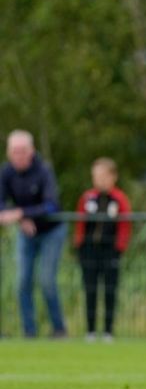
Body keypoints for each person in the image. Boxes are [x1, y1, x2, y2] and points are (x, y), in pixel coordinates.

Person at [0, 130, 67, 338]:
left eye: (22, 151)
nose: (18, 155)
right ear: (9, 153)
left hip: (51, 231)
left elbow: (51, 206)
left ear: (31, 151)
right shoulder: (6, 172)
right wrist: (22, 219)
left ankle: (59, 329)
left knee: (47, 280)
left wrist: (21, 212)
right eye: (14, 151)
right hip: (26, 232)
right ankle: (30, 331)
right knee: (23, 281)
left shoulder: (43, 170)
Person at [73, 158, 132, 341]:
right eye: (96, 176)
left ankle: (108, 331)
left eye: (103, 176)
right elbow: (80, 223)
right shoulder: (87, 197)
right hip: (89, 252)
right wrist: (79, 245)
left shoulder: (119, 199)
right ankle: (90, 331)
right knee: (90, 290)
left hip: (110, 252)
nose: (99, 180)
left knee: (109, 291)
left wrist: (119, 248)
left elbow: (125, 225)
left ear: (113, 177)